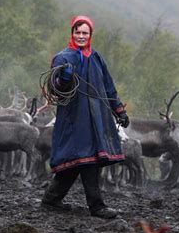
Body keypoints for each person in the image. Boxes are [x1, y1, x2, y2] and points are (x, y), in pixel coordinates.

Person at [41, 15, 130, 219]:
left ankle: (51, 198)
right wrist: (64, 79)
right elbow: (56, 90)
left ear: (90, 35)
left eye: (85, 33)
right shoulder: (63, 58)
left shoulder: (97, 58)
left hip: (96, 117)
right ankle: (97, 207)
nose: (81, 36)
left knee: (81, 158)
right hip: (74, 118)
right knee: (87, 158)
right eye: (77, 32)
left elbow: (108, 86)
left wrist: (119, 110)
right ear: (72, 33)